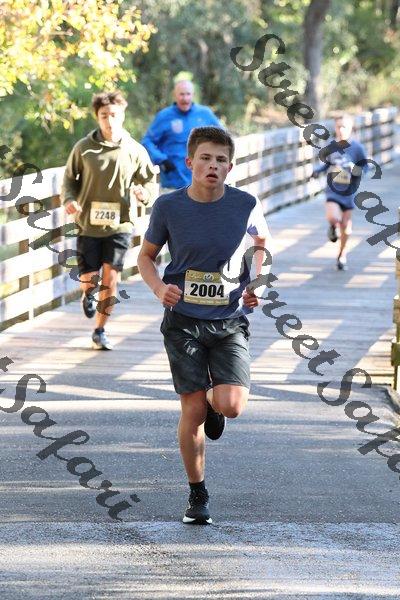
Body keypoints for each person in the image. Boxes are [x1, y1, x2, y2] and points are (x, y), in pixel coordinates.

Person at [137, 126, 272, 525]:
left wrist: (257, 283)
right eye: (206, 158)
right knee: (192, 409)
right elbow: (145, 257)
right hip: (183, 322)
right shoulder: (169, 206)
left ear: (230, 166)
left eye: (221, 160)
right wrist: (159, 288)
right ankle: (197, 494)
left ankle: (216, 403)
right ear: (190, 162)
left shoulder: (246, 204)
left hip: (229, 320)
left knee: (231, 406)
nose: (213, 165)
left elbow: (261, 244)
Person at [61, 90, 156, 350]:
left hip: (120, 224)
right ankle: (88, 294)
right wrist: (69, 199)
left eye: (114, 115)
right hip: (88, 223)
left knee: (111, 277)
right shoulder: (83, 148)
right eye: (104, 115)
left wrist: (144, 194)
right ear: (97, 117)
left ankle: (100, 330)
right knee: (90, 278)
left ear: (122, 115)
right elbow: (69, 179)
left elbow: (149, 180)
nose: (109, 120)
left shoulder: (134, 150)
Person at [141, 80, 222, 192]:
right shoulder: (164, 116)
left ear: (193, 95)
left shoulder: (205, 114)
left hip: (202, 184)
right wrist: (161, 159)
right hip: (173, 184)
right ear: (175, 95)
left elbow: (223, 139)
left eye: (188, 94)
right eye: (181, 94)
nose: (185, 98)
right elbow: (147, 141)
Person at [312, 114, 368, 271]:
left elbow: (365, 168)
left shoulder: (357, 148)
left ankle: (342, 255)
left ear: (351, 128)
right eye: (338, 126)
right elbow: (326, 164)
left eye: (344, 127)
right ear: (335, 128)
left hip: (349, 191)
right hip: (333, 189)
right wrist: (317, 171)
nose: (341, 130)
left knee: (346, 228)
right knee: (333, 217)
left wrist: (355, 169)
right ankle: (333, 226)